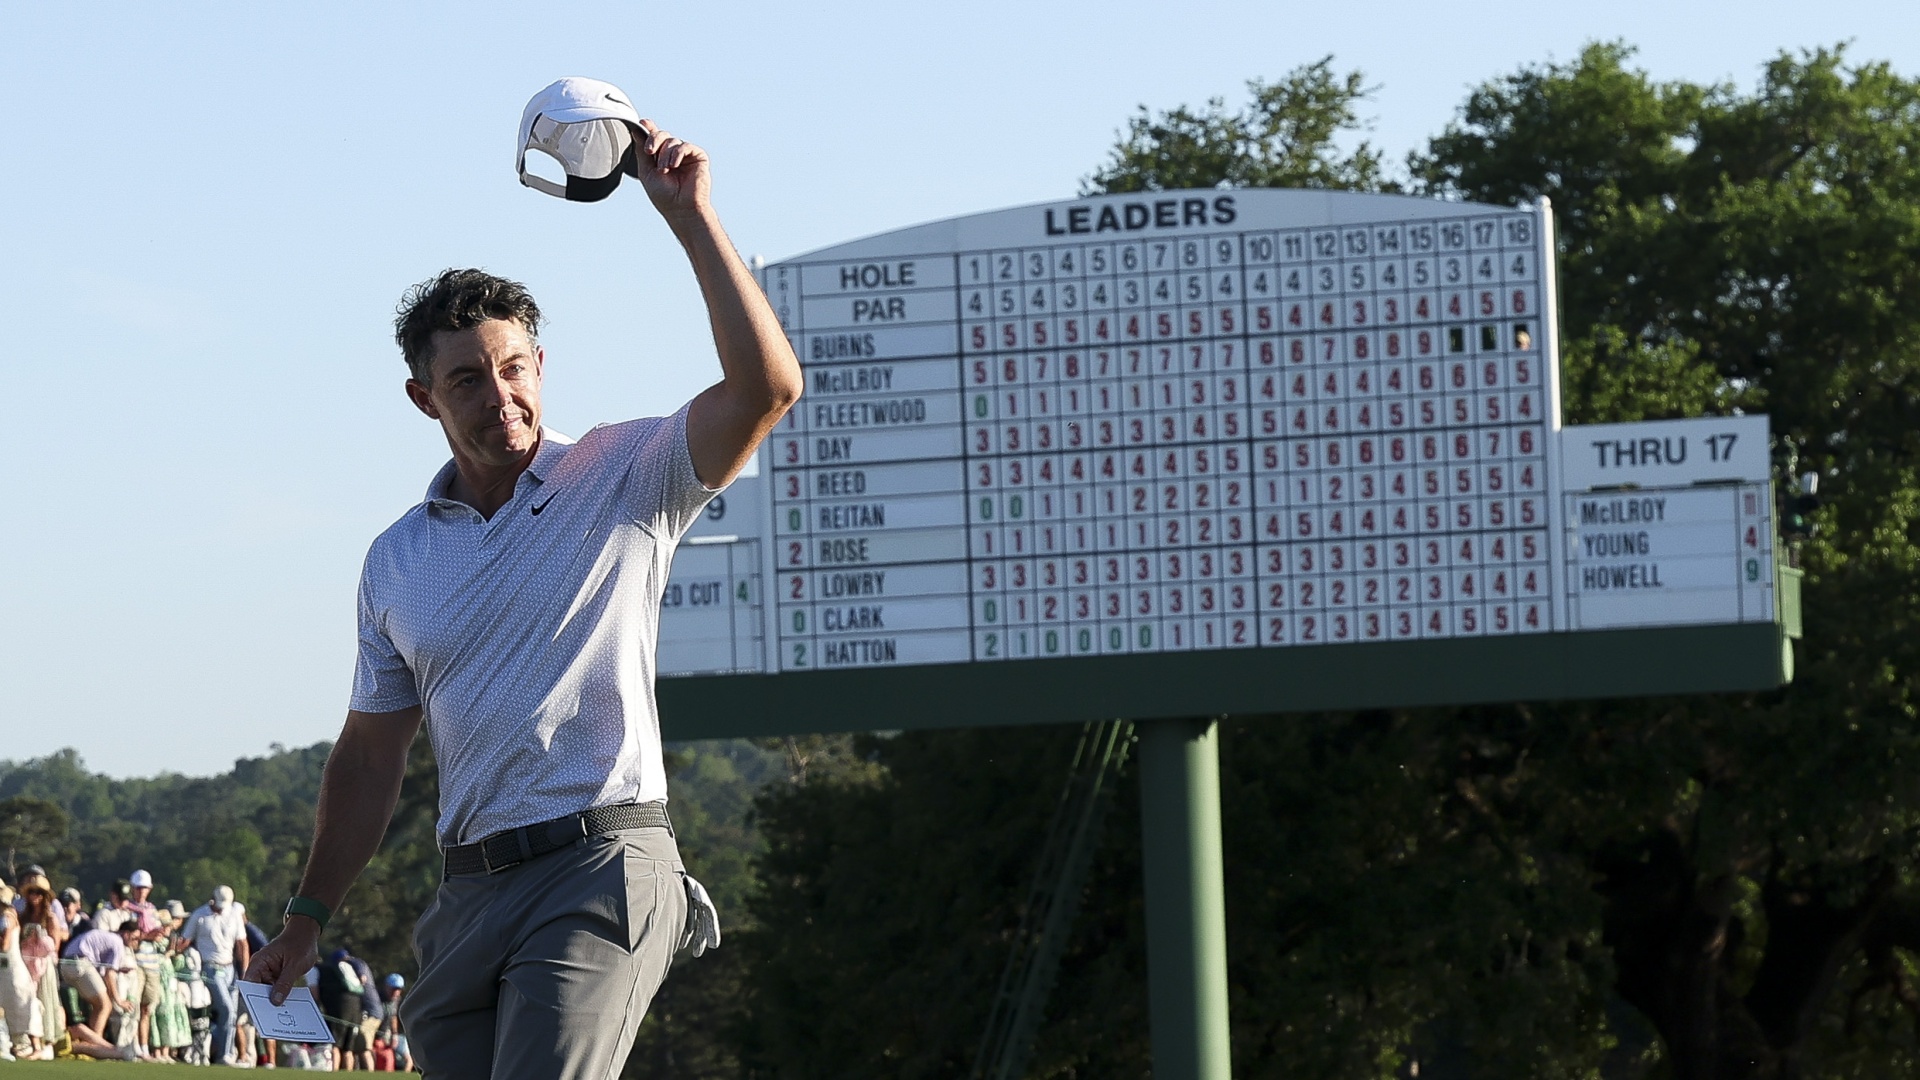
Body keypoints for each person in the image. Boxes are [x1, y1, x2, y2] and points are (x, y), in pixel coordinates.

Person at [247, 104, 798, 1079]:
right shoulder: (395, 560)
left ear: (542, 365)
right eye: (467, 380)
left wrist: (689, 216)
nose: (500, 395)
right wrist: (305, 916)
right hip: (468, 899)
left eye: (513, 368)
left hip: (603, 867)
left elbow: (767, 388)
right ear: (425, 398)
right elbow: (371, 760)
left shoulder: (627, 475)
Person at [178, 884, 250, 1065]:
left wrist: (245, 972)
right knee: (226, 1009)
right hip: (209, 968)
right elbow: (186, 939)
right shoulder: (199, 915)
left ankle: (225, 1053)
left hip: (230, 969)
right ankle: (224, 1054)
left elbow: (242, 944)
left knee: (231, 1014)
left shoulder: (234, 915)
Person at [59, 920, 142, 1046]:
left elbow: (104, 974)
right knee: (105, 1006)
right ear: (126, 934)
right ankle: (97, 1046)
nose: (136, 941)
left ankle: (90, 1041)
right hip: (80, 963)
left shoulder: (109, 938)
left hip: (67, 965)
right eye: (135, 938)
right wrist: (119, 1001)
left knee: (99, 1006)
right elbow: (110, 974)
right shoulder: (118, 943)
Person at [13, 873, 61, 1059]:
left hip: (44, 965)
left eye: (38, 893)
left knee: (46, 1000)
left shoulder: (50, 918)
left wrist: (41, 940)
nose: (34, 896)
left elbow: (54, 948)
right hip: (26, 963)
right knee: (27, 1002)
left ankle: (47, 1042)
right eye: (31, 892)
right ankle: (31, 1042)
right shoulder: (23, 916)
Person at [375, 973, 410, 1072]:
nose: (396, 992)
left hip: (388, 1034)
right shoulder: (377, 997)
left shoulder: (396, 1000)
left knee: (405, 1058)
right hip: (376, 1035)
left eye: (398, 989)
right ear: (386, 987)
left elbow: (393, 1016)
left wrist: (394, 1034)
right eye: (393, 989)